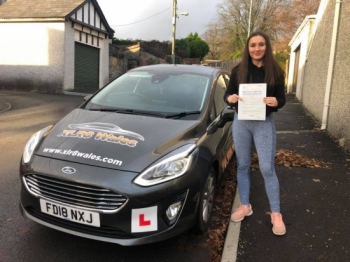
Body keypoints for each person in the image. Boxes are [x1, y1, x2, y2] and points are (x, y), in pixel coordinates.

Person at [224, 31, 286, 236]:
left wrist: (276, 102)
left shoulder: (275, 72)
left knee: (267, 168)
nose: (257, 48)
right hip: (241, 123)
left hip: (263, 124)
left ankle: (275, 212)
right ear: (248, 48)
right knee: (242, 166)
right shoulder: (238, 71)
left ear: (266, 47)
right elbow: (227, 94)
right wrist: (230, 98)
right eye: (253, 45)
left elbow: (281, 99)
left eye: (261, 44)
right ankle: (245, 205)